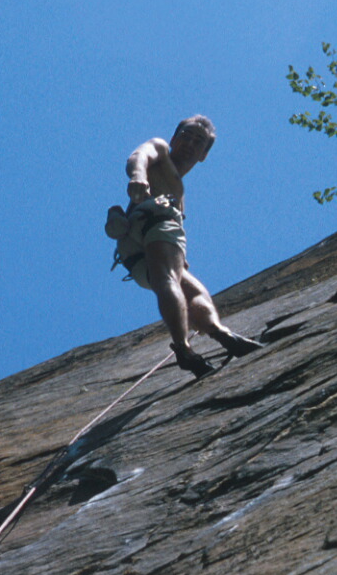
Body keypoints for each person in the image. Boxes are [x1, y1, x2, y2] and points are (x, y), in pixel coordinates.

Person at [110, 115, 262, 378]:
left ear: (204, 155)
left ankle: (220, 332)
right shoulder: (160, 151)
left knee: (194, 290)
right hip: (152, 220)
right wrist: (138, 176)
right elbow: (139, 155)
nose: (190, 143)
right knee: (169, 278)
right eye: (186, 135)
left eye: (199, 141)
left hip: (135, 256)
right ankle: (183, 348)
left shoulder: (179, 197)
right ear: (173, 139)